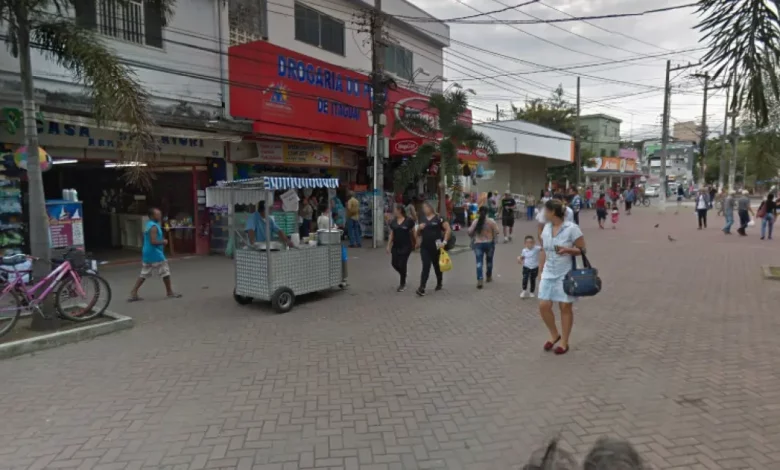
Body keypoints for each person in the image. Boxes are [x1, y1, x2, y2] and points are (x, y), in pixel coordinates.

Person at [537, 199, 585, 355]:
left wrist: (568, 250)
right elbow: (544, 250)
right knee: (544, 305)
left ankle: (564, 341)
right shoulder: (546, 228)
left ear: (552, 212)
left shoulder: (572, 228)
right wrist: (540, 269)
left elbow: (582, 249)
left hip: (566, 273)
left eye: (545, 210)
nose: (543, 213)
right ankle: (554, 334)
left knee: (565, 307)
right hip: (548, 272)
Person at [128, 208, 181, 301]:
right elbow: (153, 241)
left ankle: (134, 292)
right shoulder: (154, 227)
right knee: (165, 271)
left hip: (147, 252)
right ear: (152, 216)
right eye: (158, 214)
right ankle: (169, 292)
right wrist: (163, 242)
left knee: (144, 273)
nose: (160, 216)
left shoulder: (148, 225)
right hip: (155, 253)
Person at [416, 201, 452, 296]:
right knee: (426, 266)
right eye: (423, 208)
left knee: (437, 266)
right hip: (425, 246)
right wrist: (419, 228)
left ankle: (439, 282)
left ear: (431, 207)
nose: (424, 209)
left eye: (425, 207)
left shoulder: (439, 218)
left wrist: (444, 242)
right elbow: (418, 234)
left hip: (437, 245)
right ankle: (422, 287)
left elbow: (448, 229)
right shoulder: (422, 219)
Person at [386, 204, 416, 292]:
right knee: (394, 263)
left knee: (403, 263)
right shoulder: (393, 222)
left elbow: (414, 232)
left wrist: (416, 242)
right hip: (396, 246)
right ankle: (403, 274)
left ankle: (402, 283)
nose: (394, 211)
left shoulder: (409, 221)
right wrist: (388, 245)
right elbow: (392, 234)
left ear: (399, 210)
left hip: (406, 246)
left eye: (395, 210)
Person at [468, 206, 499, 289]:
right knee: (489, 261)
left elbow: (469, 231)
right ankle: (488, 276)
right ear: (487, 212)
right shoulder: (491, 221)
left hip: (478, 244)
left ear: (479, 212)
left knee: (479, 262)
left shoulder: (476, 221)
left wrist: (473, 235)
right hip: (489, 243)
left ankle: (480, 279)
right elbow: (497, 231)